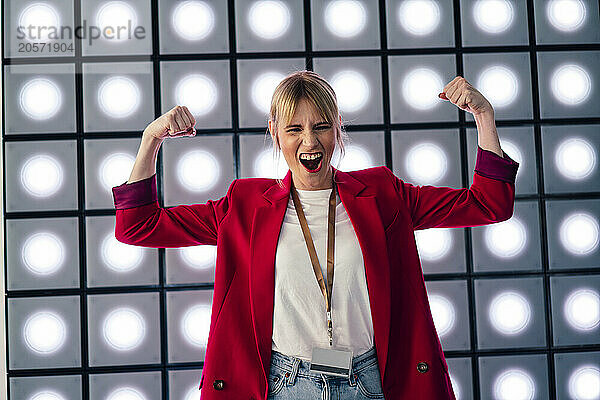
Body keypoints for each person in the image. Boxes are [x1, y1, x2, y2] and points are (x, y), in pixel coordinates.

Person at [112, 71, 519, 399]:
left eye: (321, 126)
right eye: (294, 129)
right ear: (274, 132)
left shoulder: (382, 193)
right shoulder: (245, 205)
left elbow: (488, 205)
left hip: (374, 381)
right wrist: (151, 140)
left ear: (337, 128)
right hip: (284, 385)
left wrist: (484, 116)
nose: (310, 141)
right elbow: (138, 227)